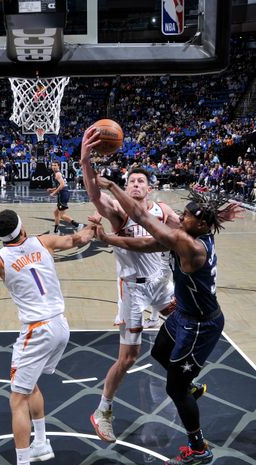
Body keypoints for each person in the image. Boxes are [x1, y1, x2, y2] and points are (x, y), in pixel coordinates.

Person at [94, 179, 236, 465]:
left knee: (175, 387)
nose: (180, 218)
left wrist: (110, 185)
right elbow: (147, 243)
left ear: (201, 224)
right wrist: (110, 241)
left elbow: (142, 218)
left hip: (200, 326)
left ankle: (198, 449)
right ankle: (190, 388)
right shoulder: (188, 234)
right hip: (184, 315)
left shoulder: (190, 244)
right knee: (160, 349)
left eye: (186, 215)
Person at [0, 209, 94, 465]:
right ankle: (41, 442)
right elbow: (79, 240)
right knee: (29, 387)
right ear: (22, 227)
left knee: (17, 398)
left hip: (37, 330)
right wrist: (94, 223)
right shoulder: (43, 241)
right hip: (60, 325)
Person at [80, 128, 179, 443]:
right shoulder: (118, 210)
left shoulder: (162, 211)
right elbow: (95, 193)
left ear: (150, 187)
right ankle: (103, 410)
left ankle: (182, 378)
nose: (136, 184)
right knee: (129, 357)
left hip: (162, 284)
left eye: (141, 181)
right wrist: (85, 161)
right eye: (131, 181)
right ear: (125, 187)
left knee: (187, 326)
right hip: (133, 290)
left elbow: (188, 226)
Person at [47, 162, 83, 233]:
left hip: (63, 195)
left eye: (55, 165)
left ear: (58, 166)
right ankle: (56, 230)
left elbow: (62, 185)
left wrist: (54, 193)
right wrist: (52, 189)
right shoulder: (58, 174)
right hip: (63, 194)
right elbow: (61, 185)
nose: (53, 166)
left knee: (62, 215)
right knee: (56, 213)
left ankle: (78, 225)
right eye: (52, 165)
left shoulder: (57, 174)